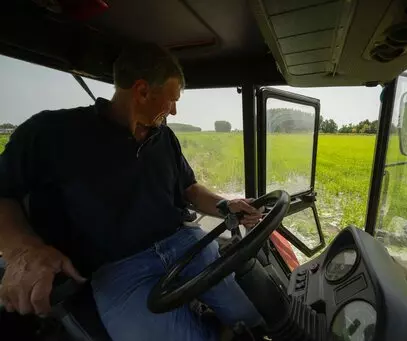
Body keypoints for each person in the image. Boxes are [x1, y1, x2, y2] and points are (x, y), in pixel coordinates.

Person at [0, 43, 264, 341]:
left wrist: (227, 205)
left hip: (186, 244)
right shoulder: (49, 133)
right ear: (142, 91)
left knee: (255, 315)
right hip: (118, 271)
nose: (174, 111)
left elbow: (189, 187)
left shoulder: (164, 136)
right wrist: (23, 251)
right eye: (172, 100)